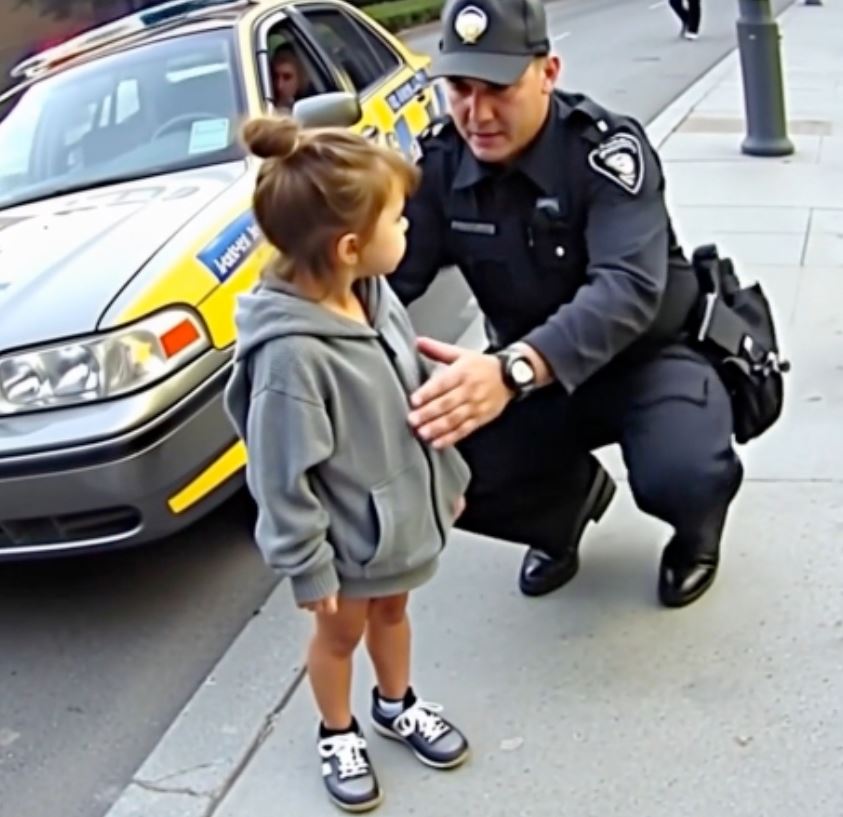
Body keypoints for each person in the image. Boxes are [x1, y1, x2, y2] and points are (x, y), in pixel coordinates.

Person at [389, 0, 743, 609]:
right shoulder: (444, 164)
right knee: (427, 453)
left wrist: (511, 370)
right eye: (460, 89)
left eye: (498, 87)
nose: (477, 113)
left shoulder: (606, 151)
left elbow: (627, 289)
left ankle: (695, 535)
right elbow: (392, 276)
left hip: (647, 361)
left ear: (548, 71)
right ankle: (560, 514)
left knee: (681, 474)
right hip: (534, 380)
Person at [224, 116, 471, 812]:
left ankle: (397, 702)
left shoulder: (369, 293)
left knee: (394, 609)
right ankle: (337, 729)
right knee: (339, 634)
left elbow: (412, 382)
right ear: (350, 244)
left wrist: (445, 478)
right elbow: (279, 474)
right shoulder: (291, 355)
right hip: (344, 545)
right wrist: (306, 563)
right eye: (398, 217)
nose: (410, 228)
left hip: (395, 526)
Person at [270, 44, 311, 110]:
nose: (279, 86)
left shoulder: (309, 104)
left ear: (300, 79)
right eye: (275, 76)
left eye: (287, 77)